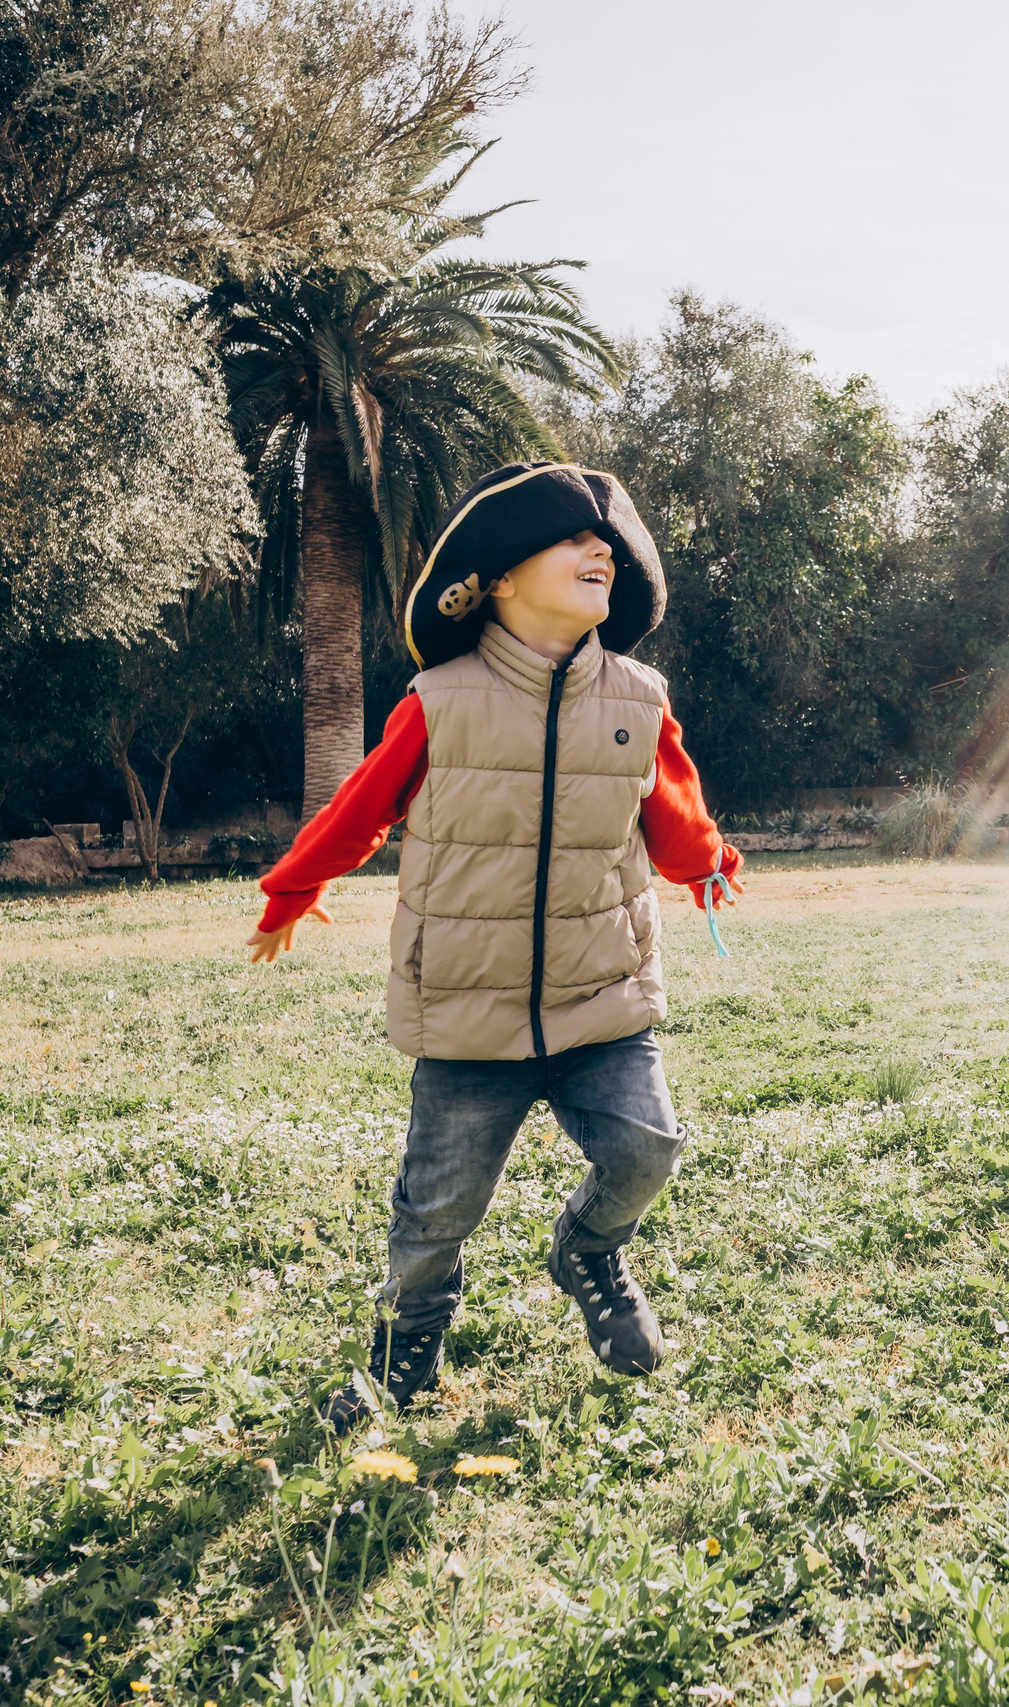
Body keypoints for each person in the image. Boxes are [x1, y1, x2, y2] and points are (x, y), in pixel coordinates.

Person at [244, 463, 743, 1434]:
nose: (599, 552)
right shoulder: (442, 699)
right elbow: (360, 806)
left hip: (601, 997)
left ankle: (589, 1251)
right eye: (571, 541)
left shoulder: (640, 697)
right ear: (497, 580)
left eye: (609, 547)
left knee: (648, 1149)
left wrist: (705, 861)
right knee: (433, 1221)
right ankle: (401, 1365)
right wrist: (294, 887)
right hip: (468, 1015)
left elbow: (674, 808)